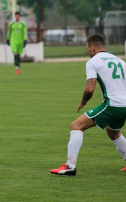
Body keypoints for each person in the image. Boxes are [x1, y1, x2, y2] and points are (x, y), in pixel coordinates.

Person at [50, 34, 126, 176]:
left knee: (76, 126)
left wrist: (83, 102)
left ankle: (69, 166)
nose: (87, 52)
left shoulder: (93, 61)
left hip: (113, 104)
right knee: (113, 132)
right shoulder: (120, 61)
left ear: (92, 48)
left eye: (87, 49)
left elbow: (90, 88)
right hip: (124, 105)